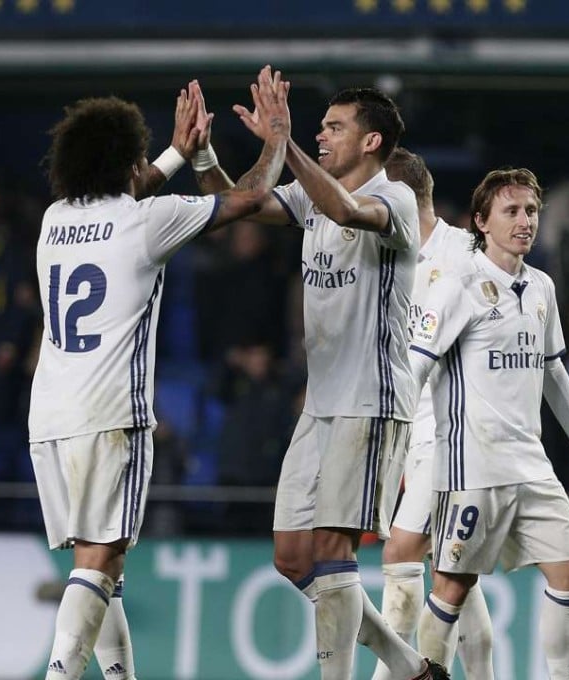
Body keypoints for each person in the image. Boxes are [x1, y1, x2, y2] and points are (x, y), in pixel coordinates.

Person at [28, 66, 291, 680]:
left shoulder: (52, 222)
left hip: (49, 418)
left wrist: (176, 151)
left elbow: (127, 188)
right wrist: (274, 140)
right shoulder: (149, 222)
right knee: (99, 560)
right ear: (126, 161)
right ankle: (59, 673)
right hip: (110, 414)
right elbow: (249, 198)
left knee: (102, 565)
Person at [191, 82, 447, 679]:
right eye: (320, 126)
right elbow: (237, 204)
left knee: (333, 554)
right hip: (322, 403)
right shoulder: (310, 195)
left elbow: (344, 210)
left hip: (372, 399)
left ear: (371, 140)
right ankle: (412, 668)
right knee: (292, 556)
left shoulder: (396, 199)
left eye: (334, 127)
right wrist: (203, 156)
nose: (321, 134)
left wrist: (284, 143)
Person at [409, 168, 569, 679]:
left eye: (532, 211)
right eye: (511, 212)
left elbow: (552, 368)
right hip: (472, 467)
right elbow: (416, 365)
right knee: (452, 585)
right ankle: (424, 673)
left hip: (532, 465)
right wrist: (397, 444)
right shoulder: (458, 286)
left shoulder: (540, 285)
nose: (525, 221)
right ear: (482, 221)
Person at [372, 148, 493, 679]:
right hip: (404, 432)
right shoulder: (386, 256)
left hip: (450, 436)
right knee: (456, 579)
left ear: (403, 198)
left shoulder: (465, 255)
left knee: (401, 561)